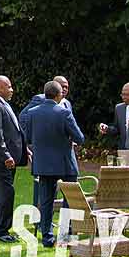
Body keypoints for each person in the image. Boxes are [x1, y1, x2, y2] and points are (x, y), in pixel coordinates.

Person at [21, 80, 86, 246]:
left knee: (46, 201)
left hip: (43, 163)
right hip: (65, 162)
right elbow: (79, 138)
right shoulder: (63, 113)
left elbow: (27, 137)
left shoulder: (32, 113)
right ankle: (65, 235)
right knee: (69, 199)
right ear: (59, 95)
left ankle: (47, 238)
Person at [0, 76, 27, 243]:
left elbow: (12, 132)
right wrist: (6, 155)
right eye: (9, 87)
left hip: (6, 159)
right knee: (6, 193)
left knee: (0, 193)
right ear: (0, 88)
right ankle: (1, 231)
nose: (12, 89)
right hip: (0, 160)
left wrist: (24, 150)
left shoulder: (2, 103)